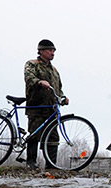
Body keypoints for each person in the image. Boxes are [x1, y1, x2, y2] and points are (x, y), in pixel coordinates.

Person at [23, 39, 68, 169]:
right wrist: (39, 82)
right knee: (34, 134)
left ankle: (51, 164)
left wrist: (63, 98)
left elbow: (58, 88)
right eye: (50, 50)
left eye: (54, 50)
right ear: (41, 51)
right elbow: (29, 77)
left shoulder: (54, 70)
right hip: (36, 106)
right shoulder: (32, 64)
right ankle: (31, 162)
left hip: (52, 108)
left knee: (53, 137)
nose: (52, 53)